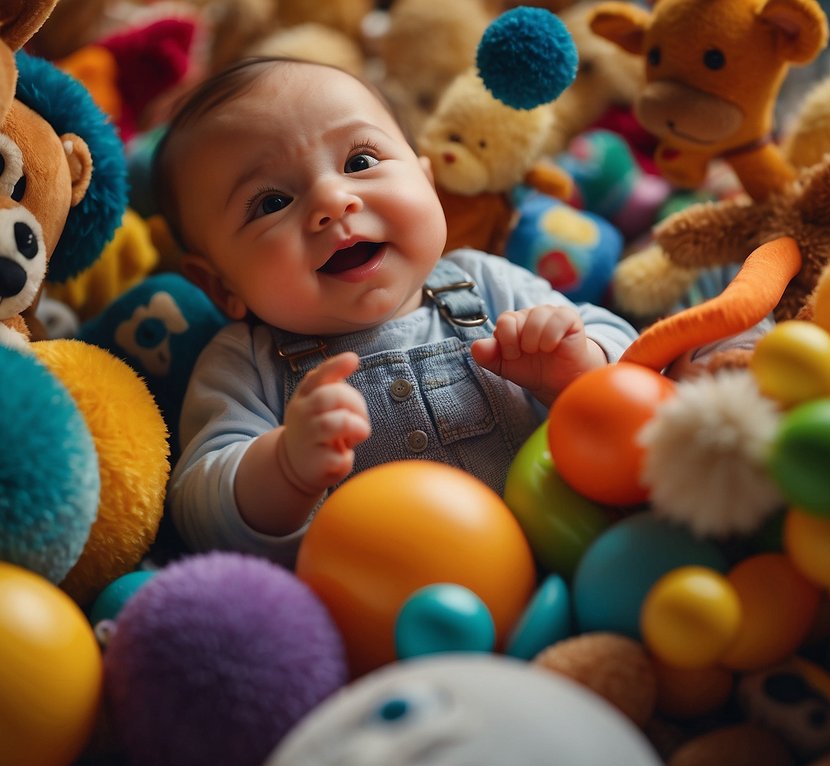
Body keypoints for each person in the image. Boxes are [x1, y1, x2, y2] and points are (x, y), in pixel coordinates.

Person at [154, 56, 638, 564]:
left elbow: (634, 363)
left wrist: (577, 366)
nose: (333, 200)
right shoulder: (246, 362)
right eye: (272, 202)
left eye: (359, 163)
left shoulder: (486, 281)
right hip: (377, 619)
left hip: (559, 564)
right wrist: (283, 468)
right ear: (218, 284)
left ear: (428, 183)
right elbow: (197, 506)